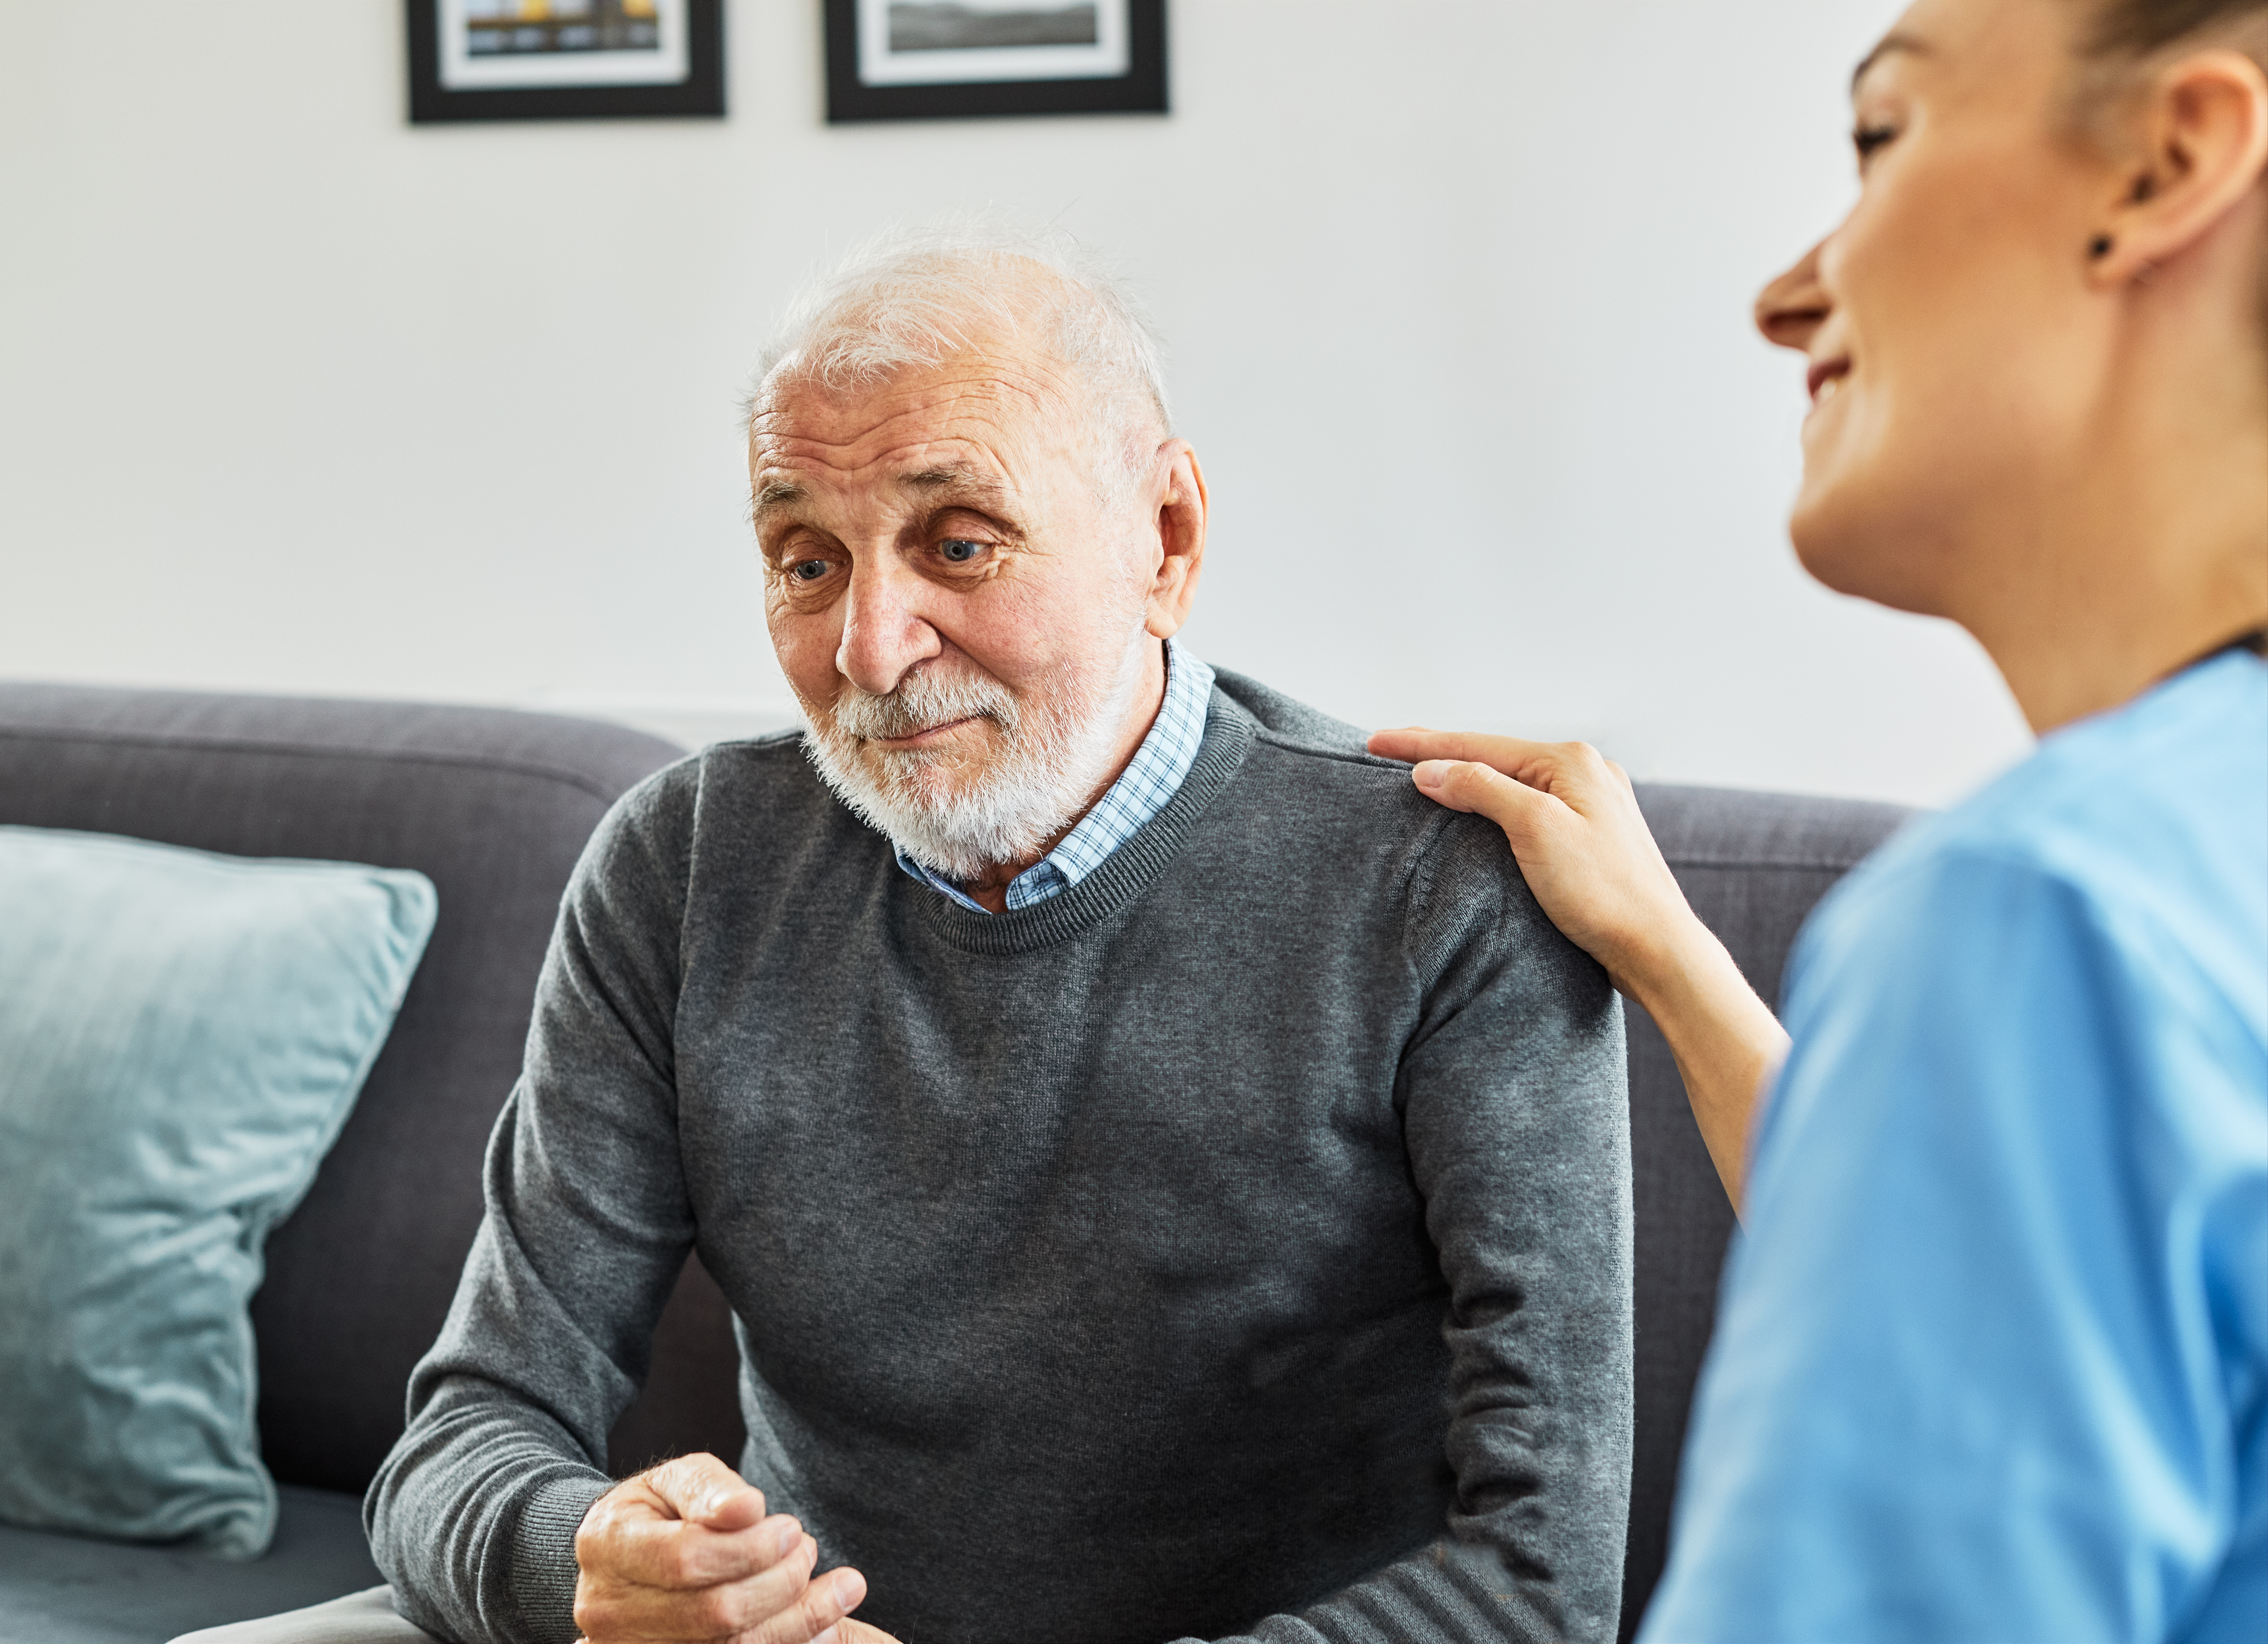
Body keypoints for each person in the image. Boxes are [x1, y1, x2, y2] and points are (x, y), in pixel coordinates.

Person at [365, 227, 1638, 1644]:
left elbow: (1542, 1578)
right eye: (804, 561)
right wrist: (586, 1561)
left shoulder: (1445, 886)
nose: (868, 646)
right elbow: (463, 1437)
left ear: (1166, 540)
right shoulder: (680, 866)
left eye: (958, 543)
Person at [1374, 0, 2268, 1637]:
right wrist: (1669, 954)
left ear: (2169, 160)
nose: (1785, 295)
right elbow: (2018, 1296)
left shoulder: (2044, 918)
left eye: (1883, 140)